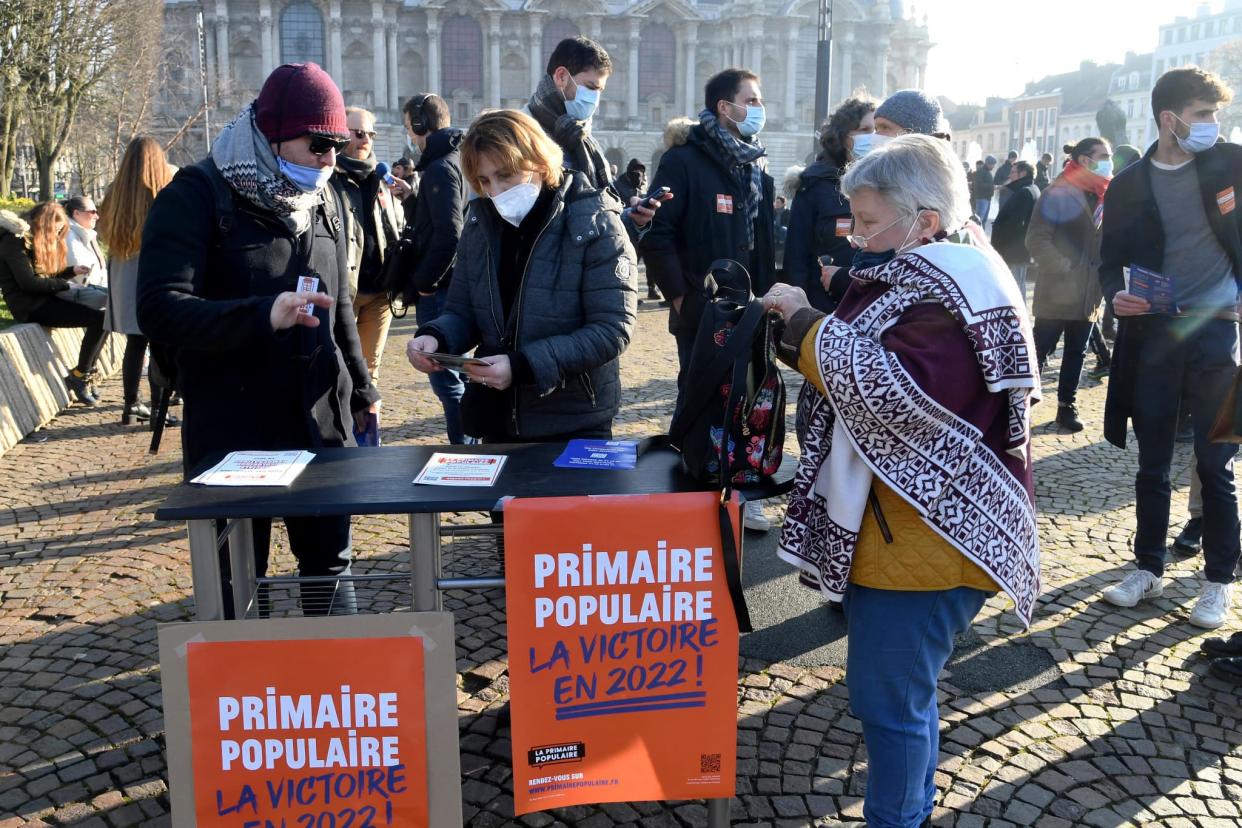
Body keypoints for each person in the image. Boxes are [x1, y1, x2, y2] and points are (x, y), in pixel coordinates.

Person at [763, 134, 1039, 828]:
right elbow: (878, 340)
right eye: (852, 219)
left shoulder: (954, 285)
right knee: (893, 694)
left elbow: (898, 394)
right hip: (901, 529)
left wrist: (803, 324)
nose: (857, 236)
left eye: (867, 220)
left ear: (925, 220)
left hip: (925, 537)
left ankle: (898, 820)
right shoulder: (938, 270)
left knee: (891, 701)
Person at [137, 62, 380, 616]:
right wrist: (262, 315)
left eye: (337, 146)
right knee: (239, 580)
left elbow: (338, 301)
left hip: (320, 419)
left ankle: (336, 685)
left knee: (330, 567)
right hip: (234, 427)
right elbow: (159, 309)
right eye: (318, 144)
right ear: (273, 137)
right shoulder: (196, 195)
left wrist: (363, 390)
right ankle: (253, 689)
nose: (329, 160)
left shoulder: (327, 197)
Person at [1099, 66, 1241, 628]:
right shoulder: (1130, 183)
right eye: (1204, 114)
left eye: (1215, 115)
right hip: (1155, 334)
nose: (1213, 124)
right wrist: (1116, 296)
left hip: (1216, 332)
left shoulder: (1232, 162)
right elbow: (1109, 263)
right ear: (1169, 119)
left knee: (1216, 462)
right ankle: (1148, 568)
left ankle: (1217, 581)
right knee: (1152, 461)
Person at [405, 109, 636, 443]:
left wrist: (523, 365)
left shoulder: (596, 222)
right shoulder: (479, 223)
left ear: (539, 162)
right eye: (484, 181)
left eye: (507, 175)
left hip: (572, 419)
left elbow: (612, 329)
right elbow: (462, 310)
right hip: (495, 416)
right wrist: (437, 337)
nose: (496, 191)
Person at [640, 67, 776, 532]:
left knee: (749, 396)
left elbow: (759, 241)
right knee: (699, 397)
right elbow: (658, 235)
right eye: (751, 100)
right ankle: (697, 487)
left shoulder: (755, 162)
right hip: (701, 309)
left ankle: (743, 488)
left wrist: (767, 299)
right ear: (725, 106)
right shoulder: (684, 160)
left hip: (750, 310)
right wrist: (680, 297)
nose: (758, 109)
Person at [523, 37, 664, 240]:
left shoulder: (585, 138)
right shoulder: (519, 135)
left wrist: (633, 219)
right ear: (561, 77)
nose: (595, 99)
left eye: (599, 91)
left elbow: (599, 220)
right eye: (590, 87)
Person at [1025, 137, 1112, 433]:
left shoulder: (1105, 194)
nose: (1109, 161)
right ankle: (1017, 406)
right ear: (1086, 160)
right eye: (1104, 156)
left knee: (1077, 351)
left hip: (1089, 291)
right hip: (1058, 290)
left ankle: (1066, 407)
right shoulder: (1058, 192)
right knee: (1039, 350)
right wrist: (1065, 268)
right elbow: (1036, 239)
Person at [397, 92, 468, 445]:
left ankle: (465, 452)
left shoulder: (441, 166)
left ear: (421, 124)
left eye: (410, 125)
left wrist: (424, 283)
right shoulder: (453, 160)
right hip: (451, 283)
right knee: (459, 374)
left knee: (447, 380)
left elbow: (449, 235)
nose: (409, 133)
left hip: (440, 288)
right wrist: (411, 198)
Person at [97, 136, 179, 426]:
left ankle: (131, 405)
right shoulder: (163, 193)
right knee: (158, 341)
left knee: (135, 343)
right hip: (153, 271)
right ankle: (158, 409)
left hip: (122, 268)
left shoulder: (113, 193)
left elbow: (102, 229)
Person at [0, 203, 102, 404]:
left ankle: (85, 372)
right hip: (30, 306)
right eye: (54, 230)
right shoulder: (13, 242)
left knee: (105, 315)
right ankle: (80, 375)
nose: (55, 236)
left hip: (43, 299)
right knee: (100, 319)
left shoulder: (27, 239)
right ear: (43, 224)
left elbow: (41, 275)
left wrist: (70, 272)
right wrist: (64, 285)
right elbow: (28, 283)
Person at [785, 96, 876, 313]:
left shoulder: (889, 182)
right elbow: (796, 257)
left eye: (878, 130)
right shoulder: (814, 184)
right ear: (843, 136)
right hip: (824, 308)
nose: (873, 137)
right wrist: (799, 313)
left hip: (872, 307)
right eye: (864, 130)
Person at [332, 105, 403, 385]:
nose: (366, 141)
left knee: (369, 371)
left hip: (380, 293)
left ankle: (369, 429)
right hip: (343, 293)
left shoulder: (382, 177)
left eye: (370, 134)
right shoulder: (328, 177)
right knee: (340, 371)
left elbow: (393, 228)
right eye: (359, 133)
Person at [990, 160, 1040, 301]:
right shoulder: (1031, 189)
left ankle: (1018, 319)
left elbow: (1016, 224)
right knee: (1017, 285)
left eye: (1013, 172)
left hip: (1013, 250)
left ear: (1023, 173)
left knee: (1014, 287)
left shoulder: (1024, 192)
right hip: (1018, 250)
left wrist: (1001, 242)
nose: (1010, 175)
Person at [65, 196, 107, 288]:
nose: (97, 216)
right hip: (82, 295)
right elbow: (82, 278)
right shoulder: (69, 237)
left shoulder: (86, 234)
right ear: (76, 213)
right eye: (93, 212)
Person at [971, 155, 996, 228]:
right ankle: (974, 235)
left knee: (983, 220)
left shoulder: (987, 172)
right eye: (993, 165)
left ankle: (981, 235)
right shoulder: (981, 172)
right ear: (988, 164)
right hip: (982, 198)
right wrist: (992, 186)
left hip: (986, 198)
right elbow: (979, 185)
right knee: (979, 220)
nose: (993, 167)